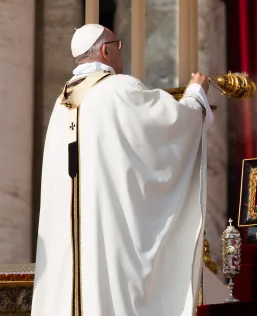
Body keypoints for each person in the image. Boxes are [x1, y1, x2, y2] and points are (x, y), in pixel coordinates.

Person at [32, 24, 213, 316]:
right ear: (106, 50)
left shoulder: (61, 102)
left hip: (72, 236)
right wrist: (195, 96)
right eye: (119, 45)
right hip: (107, 231)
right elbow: (169, 128)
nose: (121, 51)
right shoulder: (118, 89)